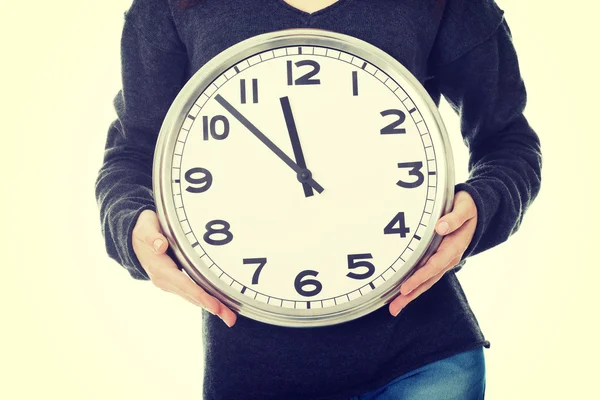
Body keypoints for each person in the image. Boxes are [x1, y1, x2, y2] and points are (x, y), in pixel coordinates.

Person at [95, 0, 542, 398]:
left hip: (423, 362)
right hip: (255, 374)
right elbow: (134, 155)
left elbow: (508, 142)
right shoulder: (169, 8)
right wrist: (133, 229)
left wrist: (481, 207)